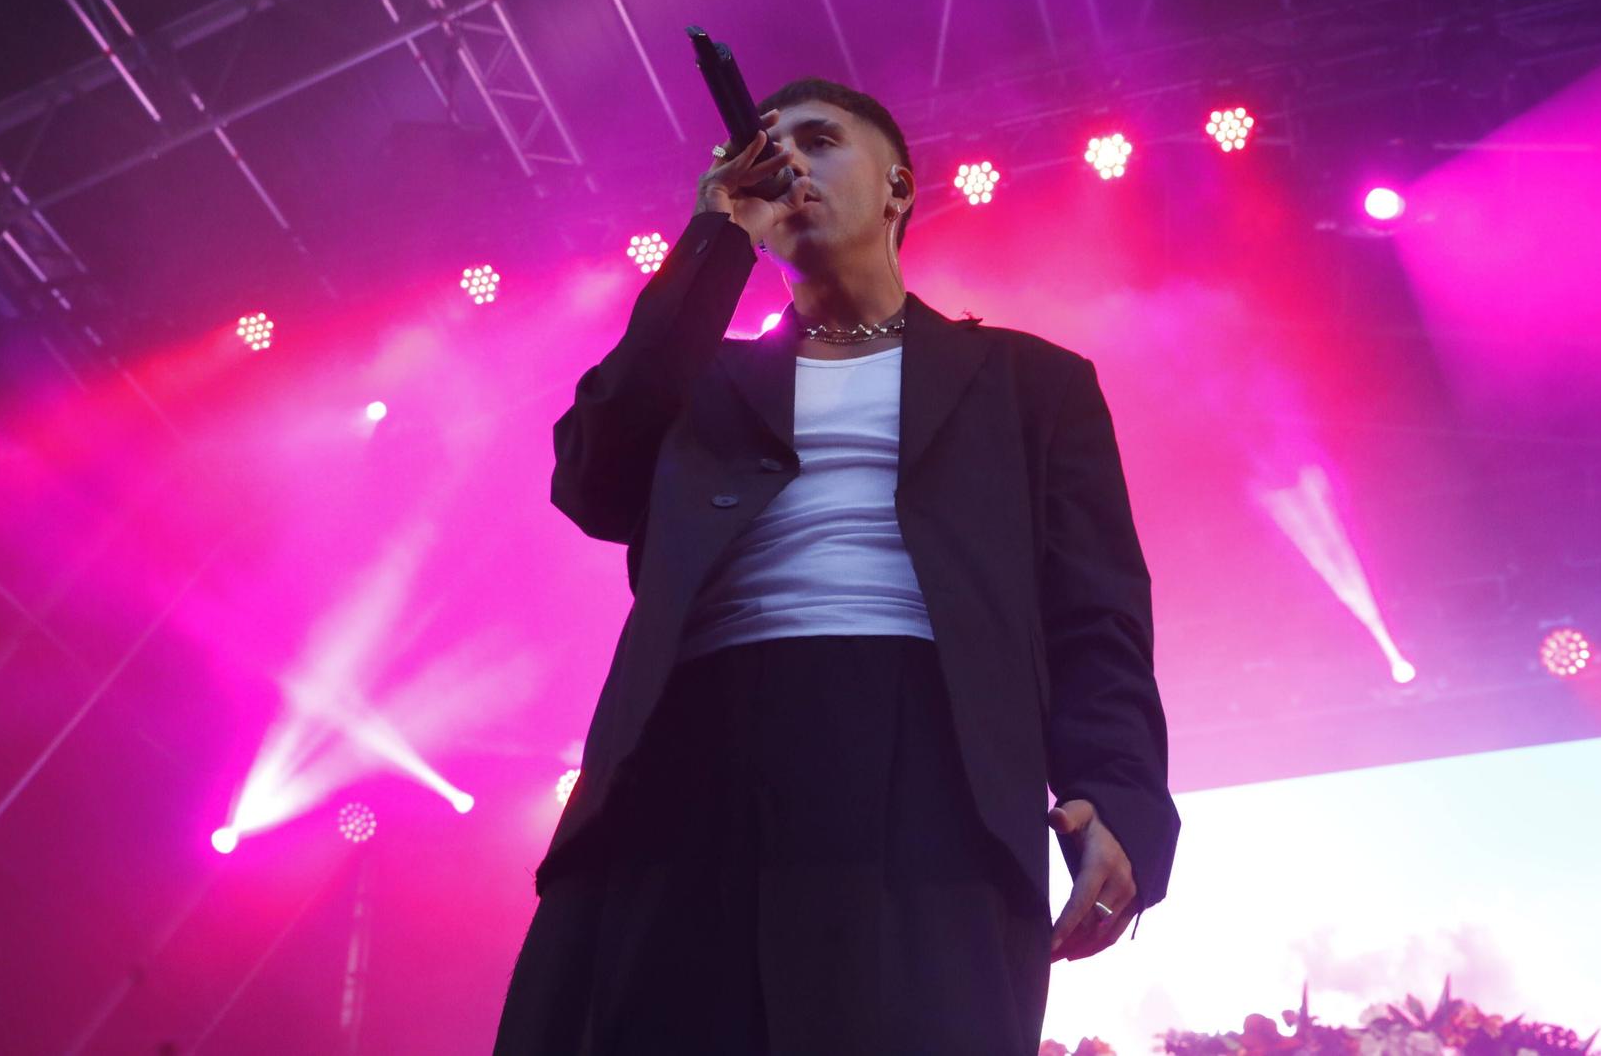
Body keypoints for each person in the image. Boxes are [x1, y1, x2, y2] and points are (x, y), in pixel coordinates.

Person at [493, 78, 1178, 1054]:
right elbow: (594, 481)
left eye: (818, 140)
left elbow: (1093, 615)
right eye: (766, 149)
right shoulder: (700, 378)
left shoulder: (1032, 386)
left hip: (927, 750)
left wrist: (1117, 796)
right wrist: (713, 239)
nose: (789, 165)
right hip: (693, 742)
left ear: (898, 186)